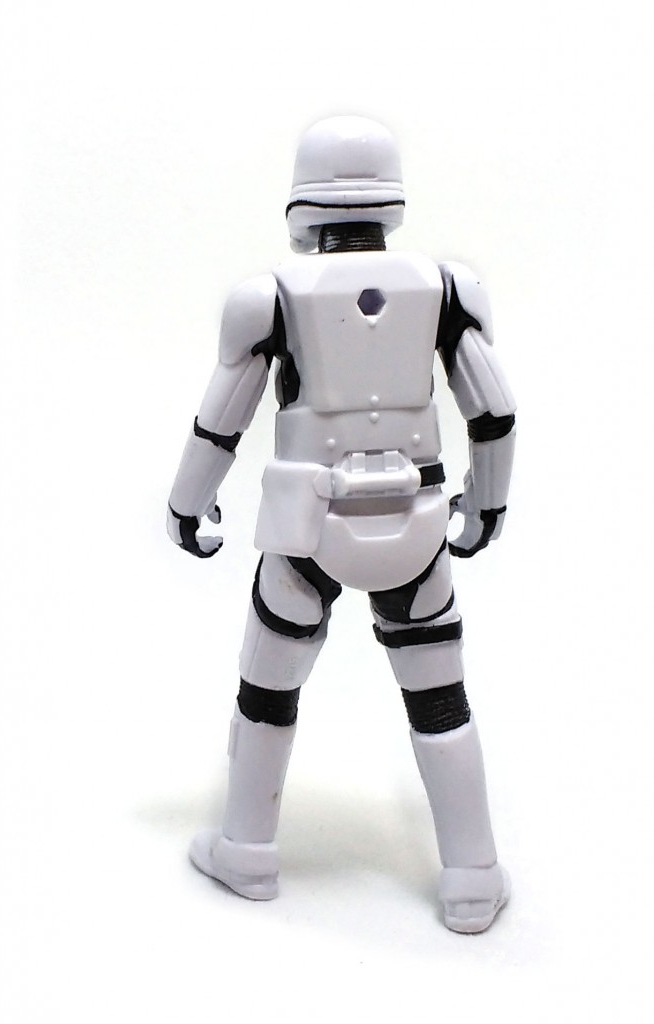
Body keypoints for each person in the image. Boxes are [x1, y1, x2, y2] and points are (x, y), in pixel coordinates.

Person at [167, 116, 516, 933]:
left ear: (304, 202)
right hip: (416, 529)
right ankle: (473, 876)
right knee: (440, 700)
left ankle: (247, 851)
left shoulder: (269, 300)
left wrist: (186, 503)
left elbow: (221, 423)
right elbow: (494, 414)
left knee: (267, 691)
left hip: (306, 532)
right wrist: (487, 504)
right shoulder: (447, 291)